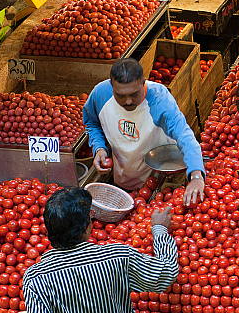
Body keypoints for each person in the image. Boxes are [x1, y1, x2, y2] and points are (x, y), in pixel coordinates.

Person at [17, 188, 177, 313]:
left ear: (49, 231)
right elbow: (166, 273)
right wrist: (159, 230)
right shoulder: (117, 257)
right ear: (87, 227)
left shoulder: (36, 278)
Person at [83, 58, 205, 205]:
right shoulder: (100, 94)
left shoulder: (159, 100)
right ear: (111, 85)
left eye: (134, 94)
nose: (128, 101)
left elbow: (184, 135)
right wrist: (99, 148)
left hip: (161, 182)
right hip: (124, 179)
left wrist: (196, 175)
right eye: (121, 95)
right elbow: (92, 122)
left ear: (143, 82)